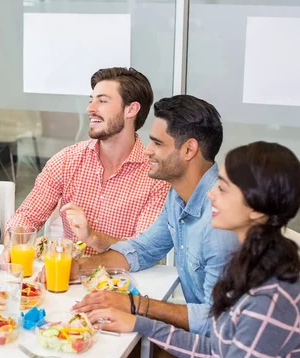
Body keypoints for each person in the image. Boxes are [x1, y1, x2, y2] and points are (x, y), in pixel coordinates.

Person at [35, 141, 300, 358]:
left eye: (223, 188)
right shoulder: (253, 262)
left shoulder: (270, 297)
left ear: (256, 210)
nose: (211, 194)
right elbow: (218, 350)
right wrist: (138, 322)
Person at [72, 95, 238, 337]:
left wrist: (134, 305)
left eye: (157, 144)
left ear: (189, 149)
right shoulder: (179, 195)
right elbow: (143, 248)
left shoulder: (221, 220)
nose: (148, 151)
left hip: (218, 353)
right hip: (198, 337)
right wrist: (80, 267)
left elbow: (215, 322)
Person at [2, 67, 169, 257]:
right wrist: (14, 243)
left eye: (102, 101)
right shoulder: (67, 160)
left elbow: (144, 249)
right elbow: (27, 216)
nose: (90, 109)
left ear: (131, 109)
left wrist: (92, 237)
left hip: (127, 282)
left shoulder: (157, 177)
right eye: (91, 100)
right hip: (66, 279)